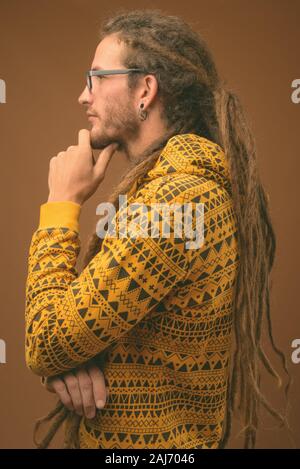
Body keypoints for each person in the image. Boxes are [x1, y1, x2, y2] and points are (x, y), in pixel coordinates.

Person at [25, 9, 290, 449]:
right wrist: (70, 359)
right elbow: (70, 333)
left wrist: (61, 205)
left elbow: (47, 338)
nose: (82, 97)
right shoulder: (172, 190)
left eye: (96, 78)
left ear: (145, 89)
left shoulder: (176, 201)